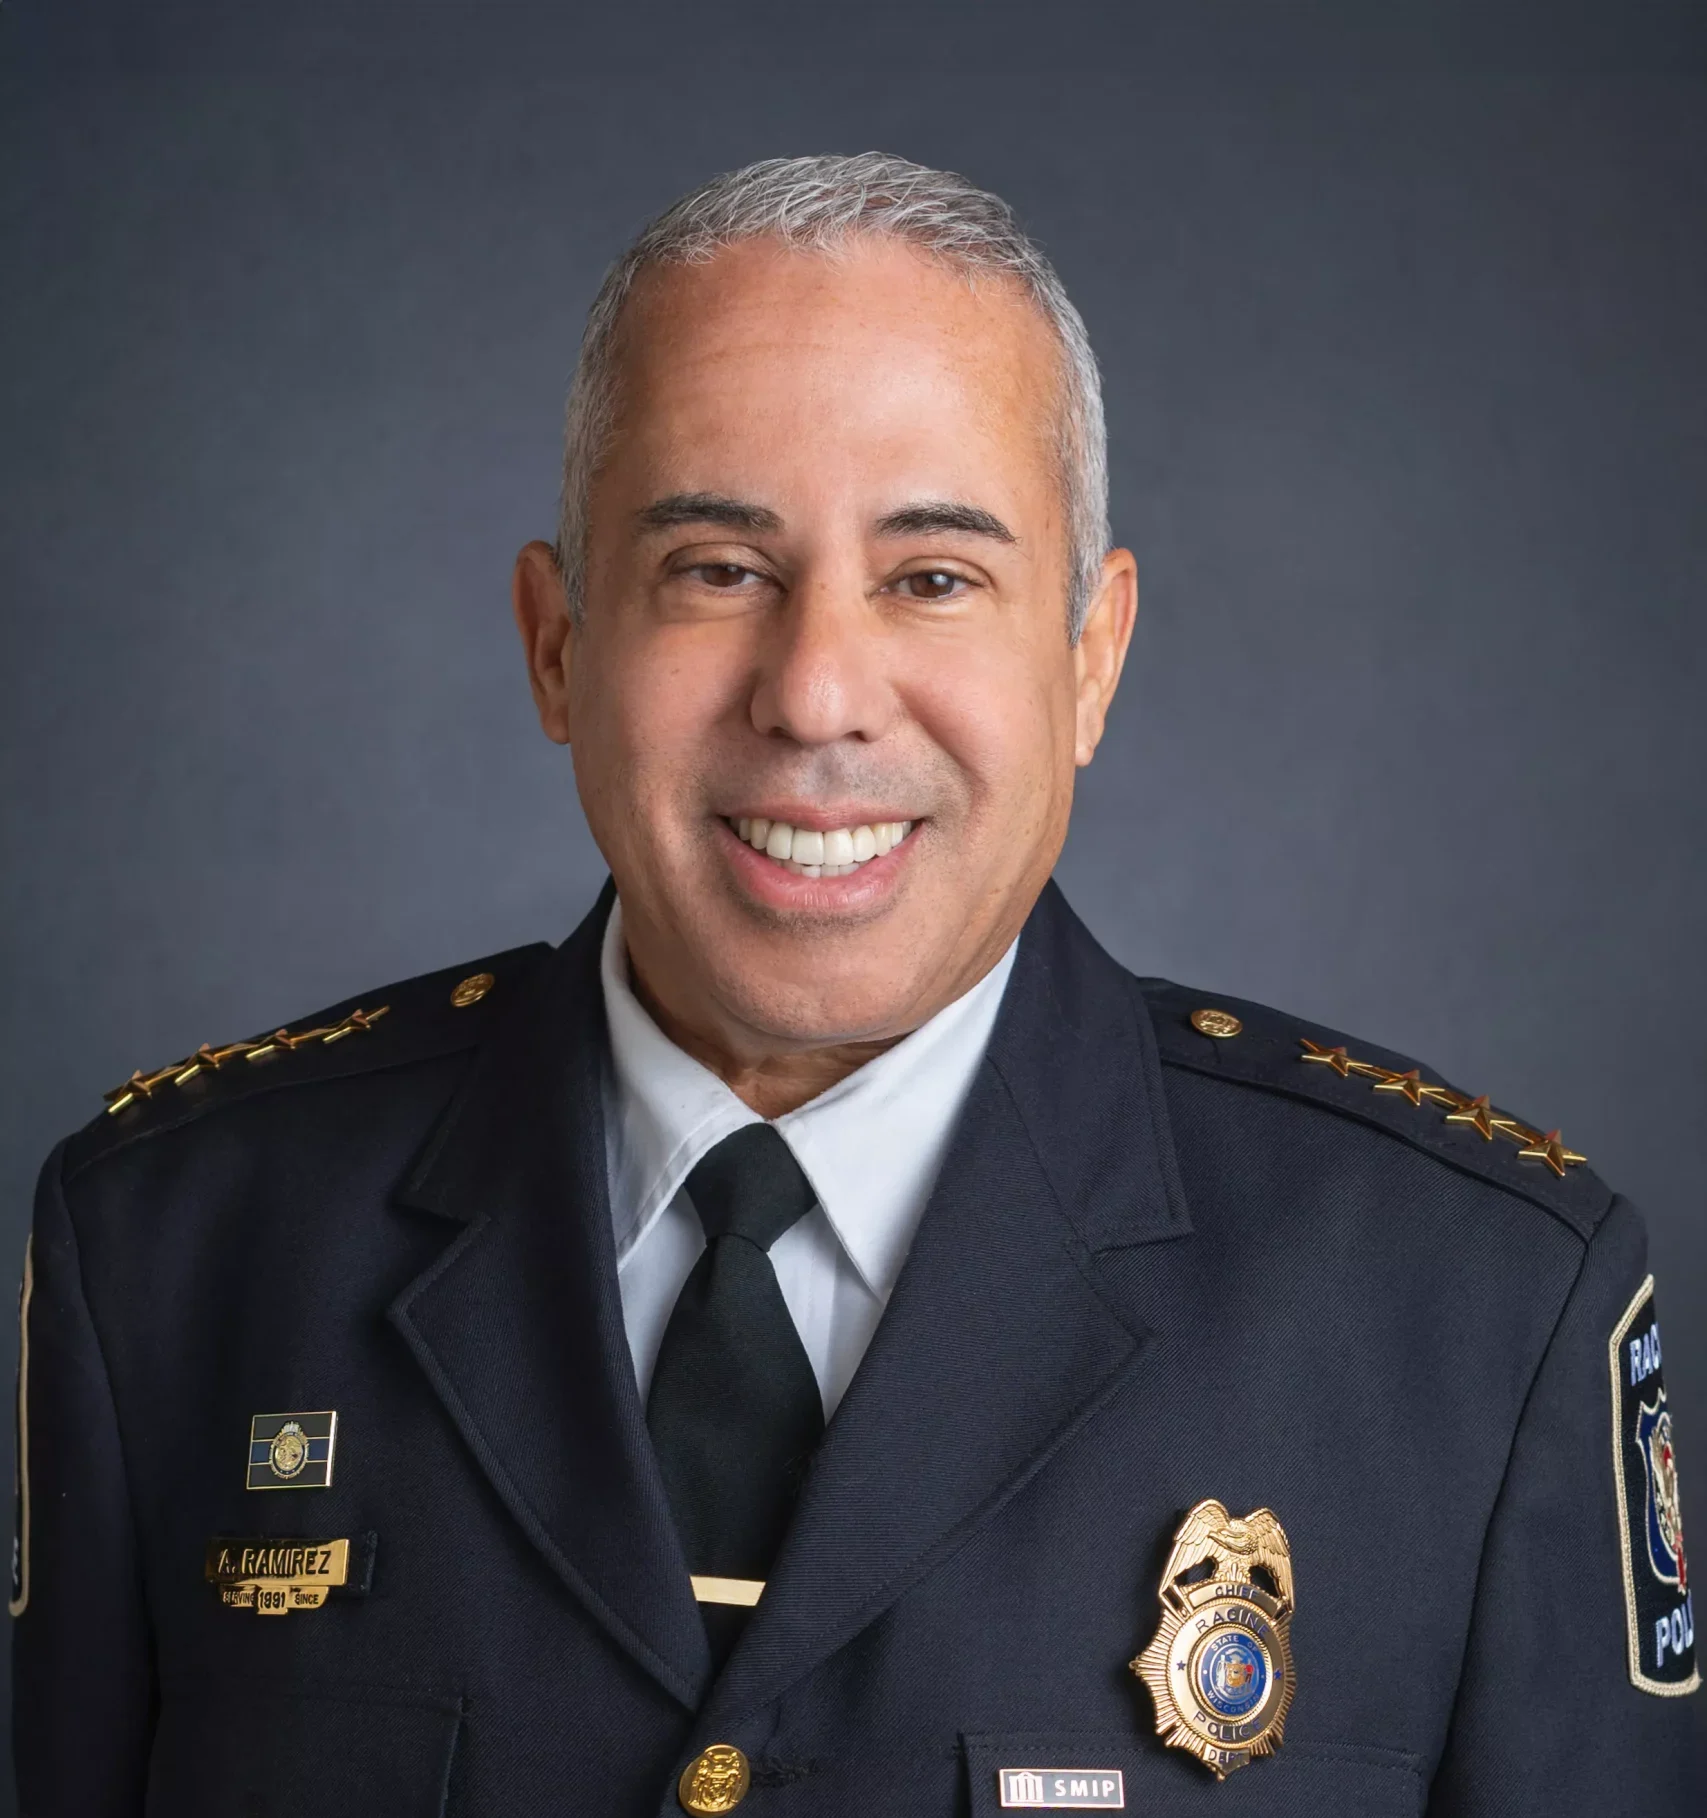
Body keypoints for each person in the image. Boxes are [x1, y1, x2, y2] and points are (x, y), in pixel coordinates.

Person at [11, 153, 1700, 1817]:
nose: (816, 692)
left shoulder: (1473, 1314)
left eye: (933, 576)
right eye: (716, 569)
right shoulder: (171, 1253)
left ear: (1089, 659)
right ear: (554, 641)